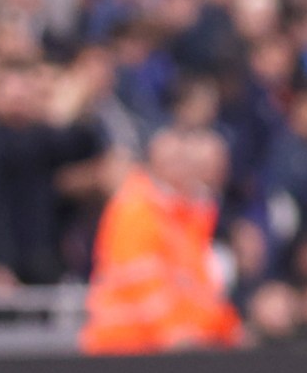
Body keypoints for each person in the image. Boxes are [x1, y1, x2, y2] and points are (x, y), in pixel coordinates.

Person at [79, 125, 243, 353]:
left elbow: (198, 290)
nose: (183, 167)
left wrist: (228, 330)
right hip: (127, 347)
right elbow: (144, 282)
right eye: (173, 160)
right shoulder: (137, 209)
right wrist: (176, 334)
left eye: (185, 160)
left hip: (165, 347)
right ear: (154, 164)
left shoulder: (188, 216)